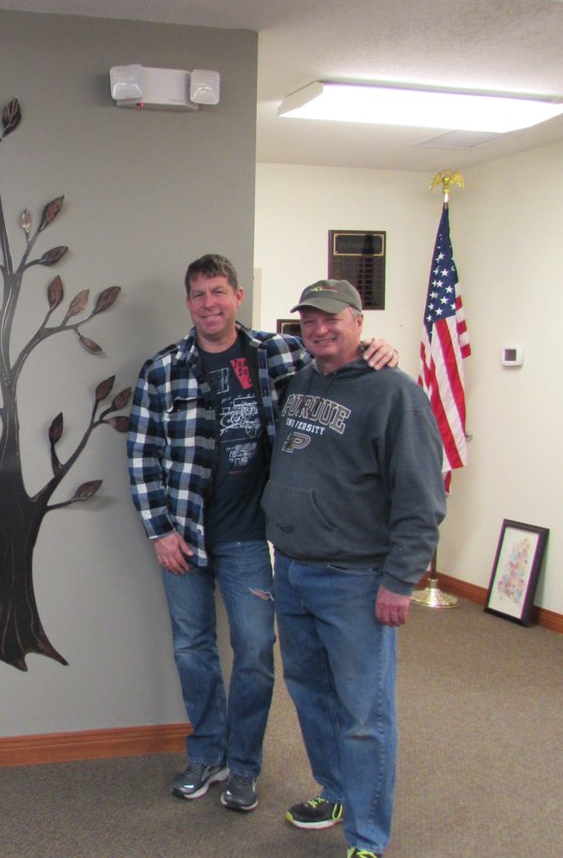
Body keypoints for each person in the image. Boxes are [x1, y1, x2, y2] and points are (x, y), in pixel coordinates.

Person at [126, 256, 397, 813]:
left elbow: (338, 364)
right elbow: (141, 456)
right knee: (192, 650)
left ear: (238, 295)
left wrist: (380, 352)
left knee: (253, 653)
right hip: (183, 536)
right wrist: (159, 531)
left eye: (219, 291)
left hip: (250, 537)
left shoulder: (281, 353)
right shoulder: (163, 369)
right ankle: (207, 754)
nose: (209, 303)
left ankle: (245, 765)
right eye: (198, 294)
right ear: (188, 304)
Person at [262, 279, 446, 858]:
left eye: (332, 319)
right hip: (291, 570)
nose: (320, 329)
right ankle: (335, 792)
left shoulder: (395, 393)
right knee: (311, 694)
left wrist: (401, 580)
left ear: (359, 322)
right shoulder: (302, 379)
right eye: (309, 320)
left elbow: (420, 499)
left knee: (364, 712)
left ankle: (367, 837)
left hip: (355, 580)